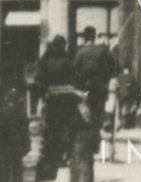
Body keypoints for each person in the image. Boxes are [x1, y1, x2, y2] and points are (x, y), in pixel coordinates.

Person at [71, 26, 115, 182]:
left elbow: (74, 69)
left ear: (84, 37)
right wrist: (106, 78)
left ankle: (88, 145)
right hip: (99, 89)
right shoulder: (102, 50)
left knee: (84, 118)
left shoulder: (80, 51)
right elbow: (113, 65)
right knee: (97, 118)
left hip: (85, 90)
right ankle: (96, 138)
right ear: (95, 36)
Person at [35, 35, 75, 181]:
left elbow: (38, 80)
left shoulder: (45, 59)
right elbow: (75, 78)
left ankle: (50, 157)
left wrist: (43, 94)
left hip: (51, 100)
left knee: (50, 129)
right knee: (64, 128)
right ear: (63, 45)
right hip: (65, 101)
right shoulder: (68, 59)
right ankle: (62, 155)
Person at [0, 68, 29, 182]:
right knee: (13, 170)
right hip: (13, 142)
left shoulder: (8, 108)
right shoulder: (18, 108)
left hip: (9, 143)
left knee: (7, 170)